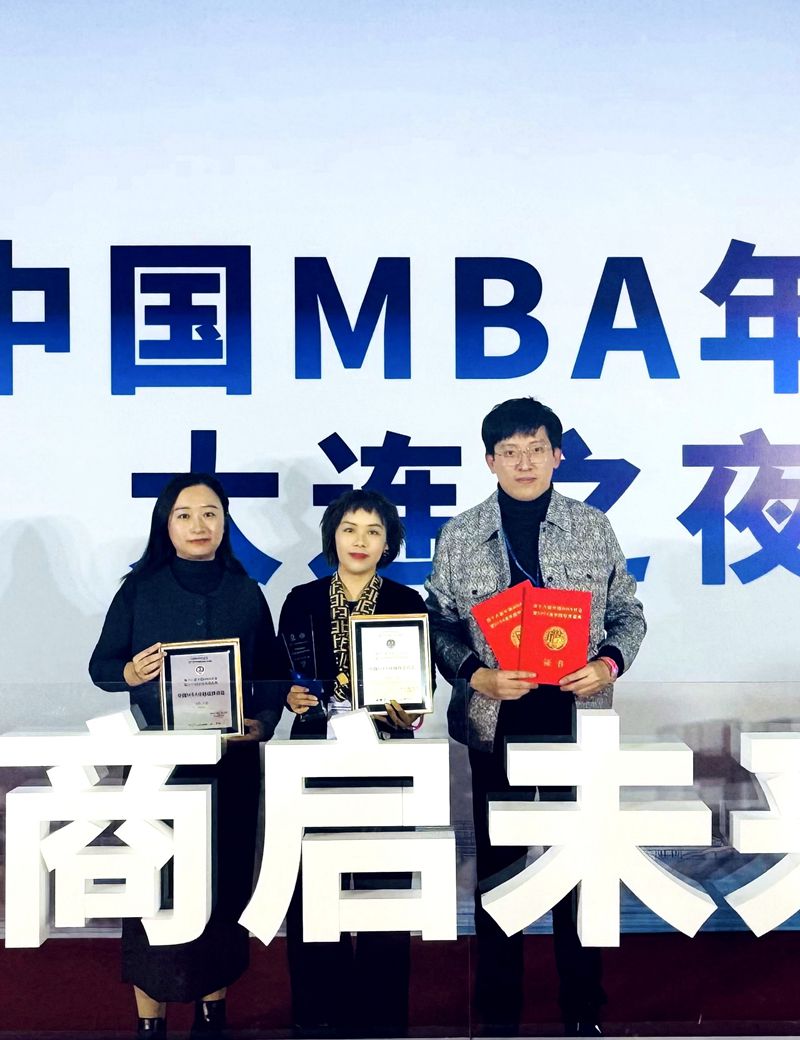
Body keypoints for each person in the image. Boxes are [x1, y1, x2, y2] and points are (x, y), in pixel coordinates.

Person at [425, 398, 646, 1037]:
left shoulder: (592, 527)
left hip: (578, 717)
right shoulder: (461, 535)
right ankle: (499, 1014)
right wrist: (477, 674)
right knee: (500, 869)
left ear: (558, 455)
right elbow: (438, 625)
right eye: (510, 452)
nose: (524, 463)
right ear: (490, 460)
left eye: (536, 449)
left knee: (581, 863)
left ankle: (583, 1008)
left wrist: (608, 663)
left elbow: (628, 614)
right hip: (496, 721)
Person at [89, 473, 283, 1040]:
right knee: (156, 885)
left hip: (230, 768)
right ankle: (150, 1021)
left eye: (210, 513)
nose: (199, 525)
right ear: (165, 525)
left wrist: (262, 722)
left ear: (225, 522)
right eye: (185, 514)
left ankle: (211, 1015)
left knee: (221, 886)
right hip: (160, 770)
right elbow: (102, 667)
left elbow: (271, 675)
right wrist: (130, 672)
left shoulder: (246, 591)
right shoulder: (139, 590)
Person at [279, 488, 429, 1038]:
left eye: (373, 531)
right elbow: (278, 675)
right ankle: (317, 1013)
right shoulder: (301, 600)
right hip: (314, 755)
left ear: (389, 542)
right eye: (349, 529)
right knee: (313, 881)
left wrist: (410, 711)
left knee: (382, 882)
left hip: (383, 754)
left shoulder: (408, 601)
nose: (360, 541)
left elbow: (420, 690)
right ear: (332, 538)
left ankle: (381, 1017)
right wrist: (289, 697)